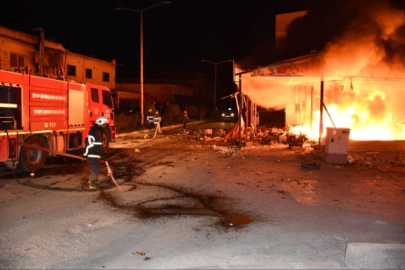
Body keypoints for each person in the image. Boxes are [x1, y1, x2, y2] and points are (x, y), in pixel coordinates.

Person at [83, 115, 110, 190]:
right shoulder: (95, 131)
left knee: (94, 168)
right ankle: (93, 184)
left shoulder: (98, 130)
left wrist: (99, 151)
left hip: (96, 154)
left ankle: (92, 180)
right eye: (104, 124)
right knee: (96, 169)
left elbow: (98, 143)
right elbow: (88, 141)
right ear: (100, 123)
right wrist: (95, 150)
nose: (105, 126)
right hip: (92, 153)